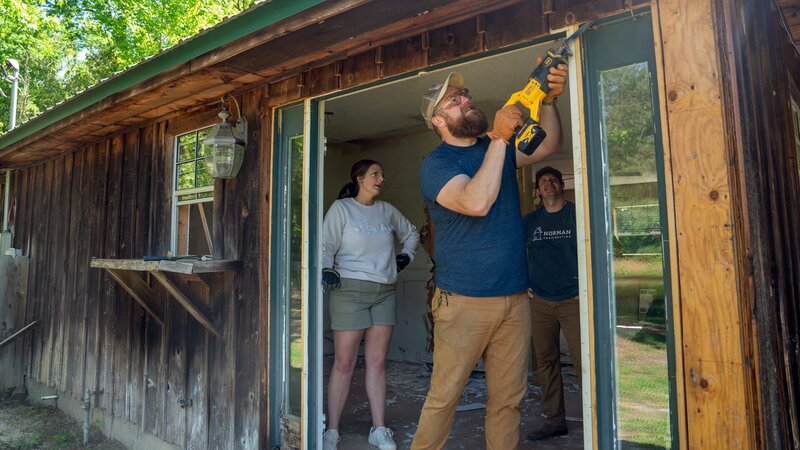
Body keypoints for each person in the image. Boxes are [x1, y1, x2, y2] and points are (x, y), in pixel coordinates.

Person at [412, 60, 568, 450]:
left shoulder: (490, 146)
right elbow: (476, 202)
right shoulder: (438, 165)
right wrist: (499, 139)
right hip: (463, 301)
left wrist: (547, 100)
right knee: (444, 399)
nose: (463, 99)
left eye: (462, 93)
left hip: (515, 298)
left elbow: (548, 145)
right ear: (438, 122)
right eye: (451, 100)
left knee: (508, 402)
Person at [321, 159, 420, 450]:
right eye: (375, 174)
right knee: (344, 363)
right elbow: (326, 244)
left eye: (382, 174)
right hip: (350, 291)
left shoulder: (387, 210)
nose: (381, 178)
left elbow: (411, 233)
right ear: (360, 178)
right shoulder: (342, 209)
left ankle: (379, 429)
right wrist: (327, 269)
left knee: (377, 363)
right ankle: (332, 431)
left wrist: (406, 257)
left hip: (384, 292)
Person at [524, 166, 581, 441]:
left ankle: (599, 420)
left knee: (586, 363)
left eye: (553, 180)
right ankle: (555, 421)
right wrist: (524, 284)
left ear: (561, 185)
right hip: (541, 301)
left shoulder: (577, 215)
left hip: (574, 299)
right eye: (543, 181)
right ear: (537, 191)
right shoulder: (531, 221)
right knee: (546, 363)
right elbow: (514, 253)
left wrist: (588, 287)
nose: (548, 184)